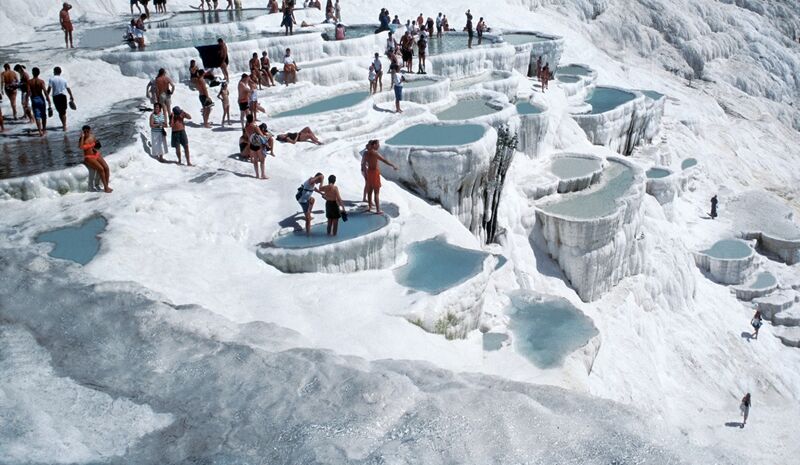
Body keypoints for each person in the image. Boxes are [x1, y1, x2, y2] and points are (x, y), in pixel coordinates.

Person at [363, 139, 397, 214]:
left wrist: (365, 174)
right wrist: (393, 165)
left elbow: (364, 164)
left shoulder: (366, 153)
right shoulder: (375, 153)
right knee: (376, 192)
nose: (379, 146)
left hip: (369, 172)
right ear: (374, 145)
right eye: (378, 144)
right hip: (375, 173)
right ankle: (378, 210)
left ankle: (369, 207)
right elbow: (384, 160)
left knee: (369, 191)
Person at [79, 125, 112, 193]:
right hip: (88, 157)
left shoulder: (92, 136)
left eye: (87, 131)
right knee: (101, 169)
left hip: (95, 154)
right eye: (84, 132)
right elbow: (81, 147)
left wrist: (96, 146)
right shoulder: (82, 139)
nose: (86, 133)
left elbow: (97, 145)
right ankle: (106, 188)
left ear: (90, 130)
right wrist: (82, 137)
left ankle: (107, 185)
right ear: (83, 132)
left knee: (106, 167)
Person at [46, 66, 75, 131]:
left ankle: (64, 125)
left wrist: (46, 96)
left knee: (60, 111)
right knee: (63, 112)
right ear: (60, 72)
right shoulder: (63, 79)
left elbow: (49, 88)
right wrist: (71, 96)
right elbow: (68, 88)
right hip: (63, 96)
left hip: (56, 97)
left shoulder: (52, 79)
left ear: (54, 72)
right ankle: (64, 125)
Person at [244, 114, 272, 179]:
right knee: (262, 160)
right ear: (252, 118)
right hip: (258, 145)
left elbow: (249, 137)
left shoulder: (246, 127)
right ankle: (263, 175)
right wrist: (268, 136)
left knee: (255, 160)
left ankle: (257, 175)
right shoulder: (255, 127)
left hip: (252, 145)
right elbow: (262, 135)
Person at [28, 67, 49, 137]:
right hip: (41, 99)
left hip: (34, 99)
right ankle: (44, 130)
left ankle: (40, 131)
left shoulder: (29, 82)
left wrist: (25, 100)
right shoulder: (41, 81)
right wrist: (48, 99)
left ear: (33, 73)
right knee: (43, 115)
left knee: (37, 116)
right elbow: (45, 91)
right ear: (39, 73)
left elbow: (28, 92)